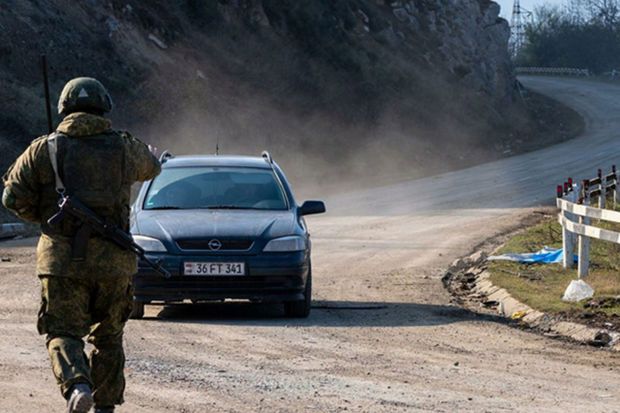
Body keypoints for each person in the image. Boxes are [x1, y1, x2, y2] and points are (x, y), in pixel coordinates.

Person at [2, 77, 161, 413]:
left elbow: (12, 197)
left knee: (63, 332)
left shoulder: (44, 149)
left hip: (61, 261)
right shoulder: (124, 147)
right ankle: (105, 407)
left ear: (64, 109)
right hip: (114, 263)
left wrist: (48, 218)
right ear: (104, 107)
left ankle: (77, 386)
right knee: (109, 337)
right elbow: (153, 166)